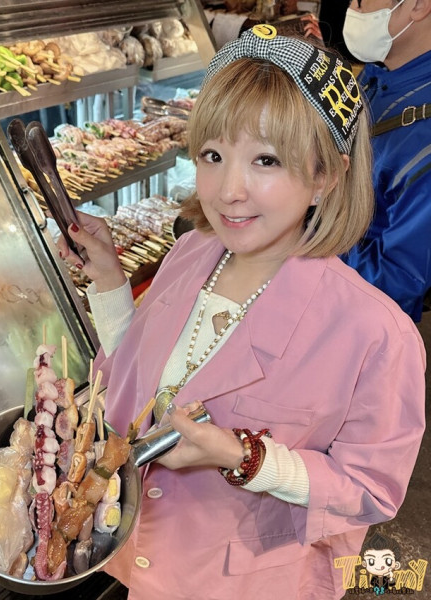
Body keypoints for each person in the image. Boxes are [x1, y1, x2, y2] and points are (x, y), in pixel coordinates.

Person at [58, 26, 426, 600]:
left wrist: (245, 457)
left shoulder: (376, 334)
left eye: (265, 160)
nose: (229, 190)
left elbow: (370, 488)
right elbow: (141, 371)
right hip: (139, 555)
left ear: (325, 176)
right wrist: (108, 279)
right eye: (213, 155)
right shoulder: (191, 253)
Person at [341, 0, 431, 322]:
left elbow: (397, 282)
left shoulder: (424, 145)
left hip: (358, 314)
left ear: (418, 6)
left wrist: (303, 235)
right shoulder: (382, 74)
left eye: (362, 0)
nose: (352, 8)